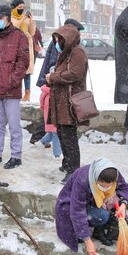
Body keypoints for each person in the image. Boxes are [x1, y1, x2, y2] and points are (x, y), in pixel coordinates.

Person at [0, 4, 30, 169]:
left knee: (14, 125)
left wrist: (12, 81)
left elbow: (23, 62)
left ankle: (16, 156)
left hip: (11, 90)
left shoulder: (19, 37)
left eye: (0, 18)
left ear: (8, 18)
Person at [55, 158, 128, 255]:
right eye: (102, 186)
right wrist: (87, 241)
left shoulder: (114, 174)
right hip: (70, 205)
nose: (105, 189)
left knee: (111, 204)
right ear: (96, 179)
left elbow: (125, 189)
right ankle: (82, 232)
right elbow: (77, 211)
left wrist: (123, 206)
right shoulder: (83, 180)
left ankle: (98, 231)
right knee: (100, 216)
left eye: (108, 186)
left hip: (92, 201)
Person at [46, 25, 87, 180]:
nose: (58, 42)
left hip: (70, 101)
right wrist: (51, 79)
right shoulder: (65, 53)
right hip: (61, 100)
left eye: (60, 39)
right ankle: (67, 163)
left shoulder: (77, 52)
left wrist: (53, 77)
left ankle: (73, 169)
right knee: (63, 133)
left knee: (69, 136)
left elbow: (75, 74)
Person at [10, 0, 37, 102]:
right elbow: (15, 26)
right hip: (16, 45)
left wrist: (31, 20)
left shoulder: (25, 18)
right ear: (14, 8)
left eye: (23, 8)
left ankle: (27, 92)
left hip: (27, 45)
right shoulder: (11, 17)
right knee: (17, 69)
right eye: (19, 8)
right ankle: (16, 92)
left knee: (27, 70)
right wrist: (23, 18)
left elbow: (33, 32)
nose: (21, 10)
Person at [37, 84, 62, 159]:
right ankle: (57, 154)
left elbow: (41, 99)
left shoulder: (47, 91)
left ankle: (42, 142)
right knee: (55, 132)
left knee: (54, 131)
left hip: (51, 113)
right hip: (51, 113)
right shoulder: (52, 91)